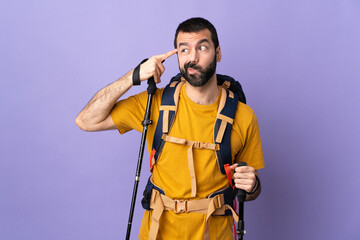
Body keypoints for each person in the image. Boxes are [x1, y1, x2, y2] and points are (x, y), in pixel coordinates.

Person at [76, 17, 264, 240]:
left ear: (218, 53)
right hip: (157, 233)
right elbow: (86, 120)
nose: (192, 57)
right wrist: (133, 76)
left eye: (202, 47)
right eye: (184, 50)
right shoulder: (153, 104)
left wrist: (252, 186)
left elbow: (249, 189)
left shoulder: (243, 116)